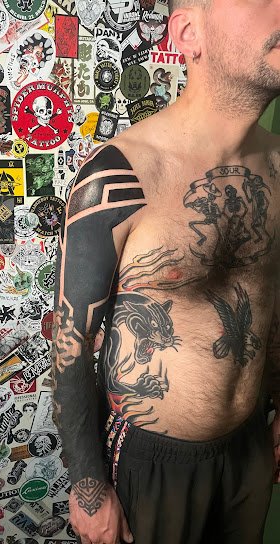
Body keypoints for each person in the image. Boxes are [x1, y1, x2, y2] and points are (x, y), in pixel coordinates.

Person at [51, 1, 280, 543]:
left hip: (250, 449)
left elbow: (271, 300)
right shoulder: (120, 176)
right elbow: (70, 342)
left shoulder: (277, 166)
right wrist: (88, 486)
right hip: (150, 465)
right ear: (188, 33)